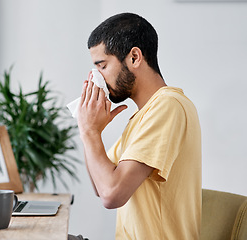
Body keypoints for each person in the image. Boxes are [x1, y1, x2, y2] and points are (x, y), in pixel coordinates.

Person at [76, 13, 202, 239]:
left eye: (102, 66)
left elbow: (111, 194)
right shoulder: (142, 116)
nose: (98, 79)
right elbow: (100, 184)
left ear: (134, 57)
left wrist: (90, 132)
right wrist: (90, 130)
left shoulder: (168, 106)